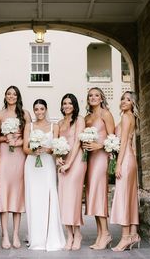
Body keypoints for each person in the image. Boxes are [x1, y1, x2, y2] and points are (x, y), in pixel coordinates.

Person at [23, 99, 65, 251]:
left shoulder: (55, 126)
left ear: (46, 109)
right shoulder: (29, 126)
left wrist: (48, 150)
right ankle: (36, 237)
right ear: (34, 111)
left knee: (49, 196)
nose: (39, 112)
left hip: (47, 164)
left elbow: (56, 148)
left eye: (42, 109)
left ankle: (50, 236)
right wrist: (33, 150)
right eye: (36, 109)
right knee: (33, 199)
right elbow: (25, 149)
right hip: (32, 166)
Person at [0, 86, 31, 249]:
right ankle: (5, 235)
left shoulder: (25, 114)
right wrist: (5, 138)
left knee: (17, 194)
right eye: (8, 93)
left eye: (14, 94)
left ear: (18, 96)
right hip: (4, 155)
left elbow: (29, 138)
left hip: (19, 156)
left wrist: (18, 141)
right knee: (4, 192)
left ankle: (16, 234)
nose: (11, 96)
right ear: (5, 96)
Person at [83, 87, 115, 250]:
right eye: (90, 96)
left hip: (101, 158)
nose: (93, 98)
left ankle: (107, 233)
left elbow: (113, 140)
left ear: (102, 98)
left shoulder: (106, 114)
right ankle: (100, 234)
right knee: (93, 195)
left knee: (99, 194)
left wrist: (98, 144)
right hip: (89, 159)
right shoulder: (87, 117)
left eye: (96, 95)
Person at [110, 91, 140, 252]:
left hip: (126, 159)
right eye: (122, 98)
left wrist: (118, 164)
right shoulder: (130, 117)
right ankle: (134, 234)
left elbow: (122, 144)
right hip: (130, 158)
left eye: (128, 100)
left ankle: (125, 237)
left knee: (123, 198)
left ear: (132, 104)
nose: (124, 101)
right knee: (130, 197)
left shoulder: (126, 117)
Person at [57, 93, 87, 251]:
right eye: (64, 103)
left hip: (76, 162)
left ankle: (78, 233)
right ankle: (69, 235)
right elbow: (57, 145)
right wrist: (58, 159)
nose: (67, 106)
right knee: (64, 199)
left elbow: (77, 142)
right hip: (63, 163)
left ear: (74, 105)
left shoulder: (79, 119)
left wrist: (69, 163)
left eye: (70, 103)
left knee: (73, 199)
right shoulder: (60, 123)